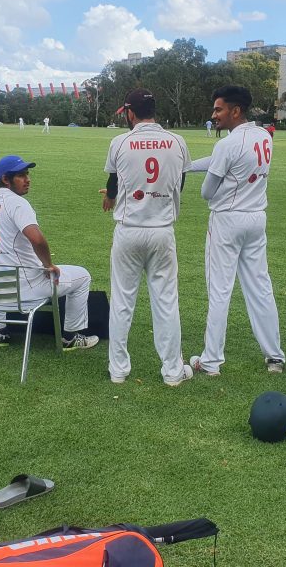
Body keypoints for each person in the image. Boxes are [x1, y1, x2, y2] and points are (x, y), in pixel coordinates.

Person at [188, 86, 284, 376]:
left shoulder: (227, 145)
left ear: (235, 111)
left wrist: (197, 176)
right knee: (260, 287)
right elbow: (221, 163)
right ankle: (275, 356)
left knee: (219, 290)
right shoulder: (264, 136)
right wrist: (186, 166)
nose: (214, 115)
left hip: (227, 220)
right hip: (256, 218)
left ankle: (211, 361)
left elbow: (207, 192)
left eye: (219, 109)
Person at [103, 88, 192, 386]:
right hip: (162, 230)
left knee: (122, 301)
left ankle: (118, 370)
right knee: (166, 302)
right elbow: (180, 182)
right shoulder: (177, 141)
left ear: (130, 112)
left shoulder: (120, 141)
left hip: (128, 229)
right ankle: (172, 371)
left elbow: (114, 181)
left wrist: (114, 196)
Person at [0, 155, 100, 350]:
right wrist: (48, 265)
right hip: (23, 289)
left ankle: (0, 331)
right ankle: (70, 337)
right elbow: (37, 239)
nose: (28, 179)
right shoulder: (17, 203)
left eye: (27, 174)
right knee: (83, 276)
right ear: (5, 179)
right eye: (21, 175)